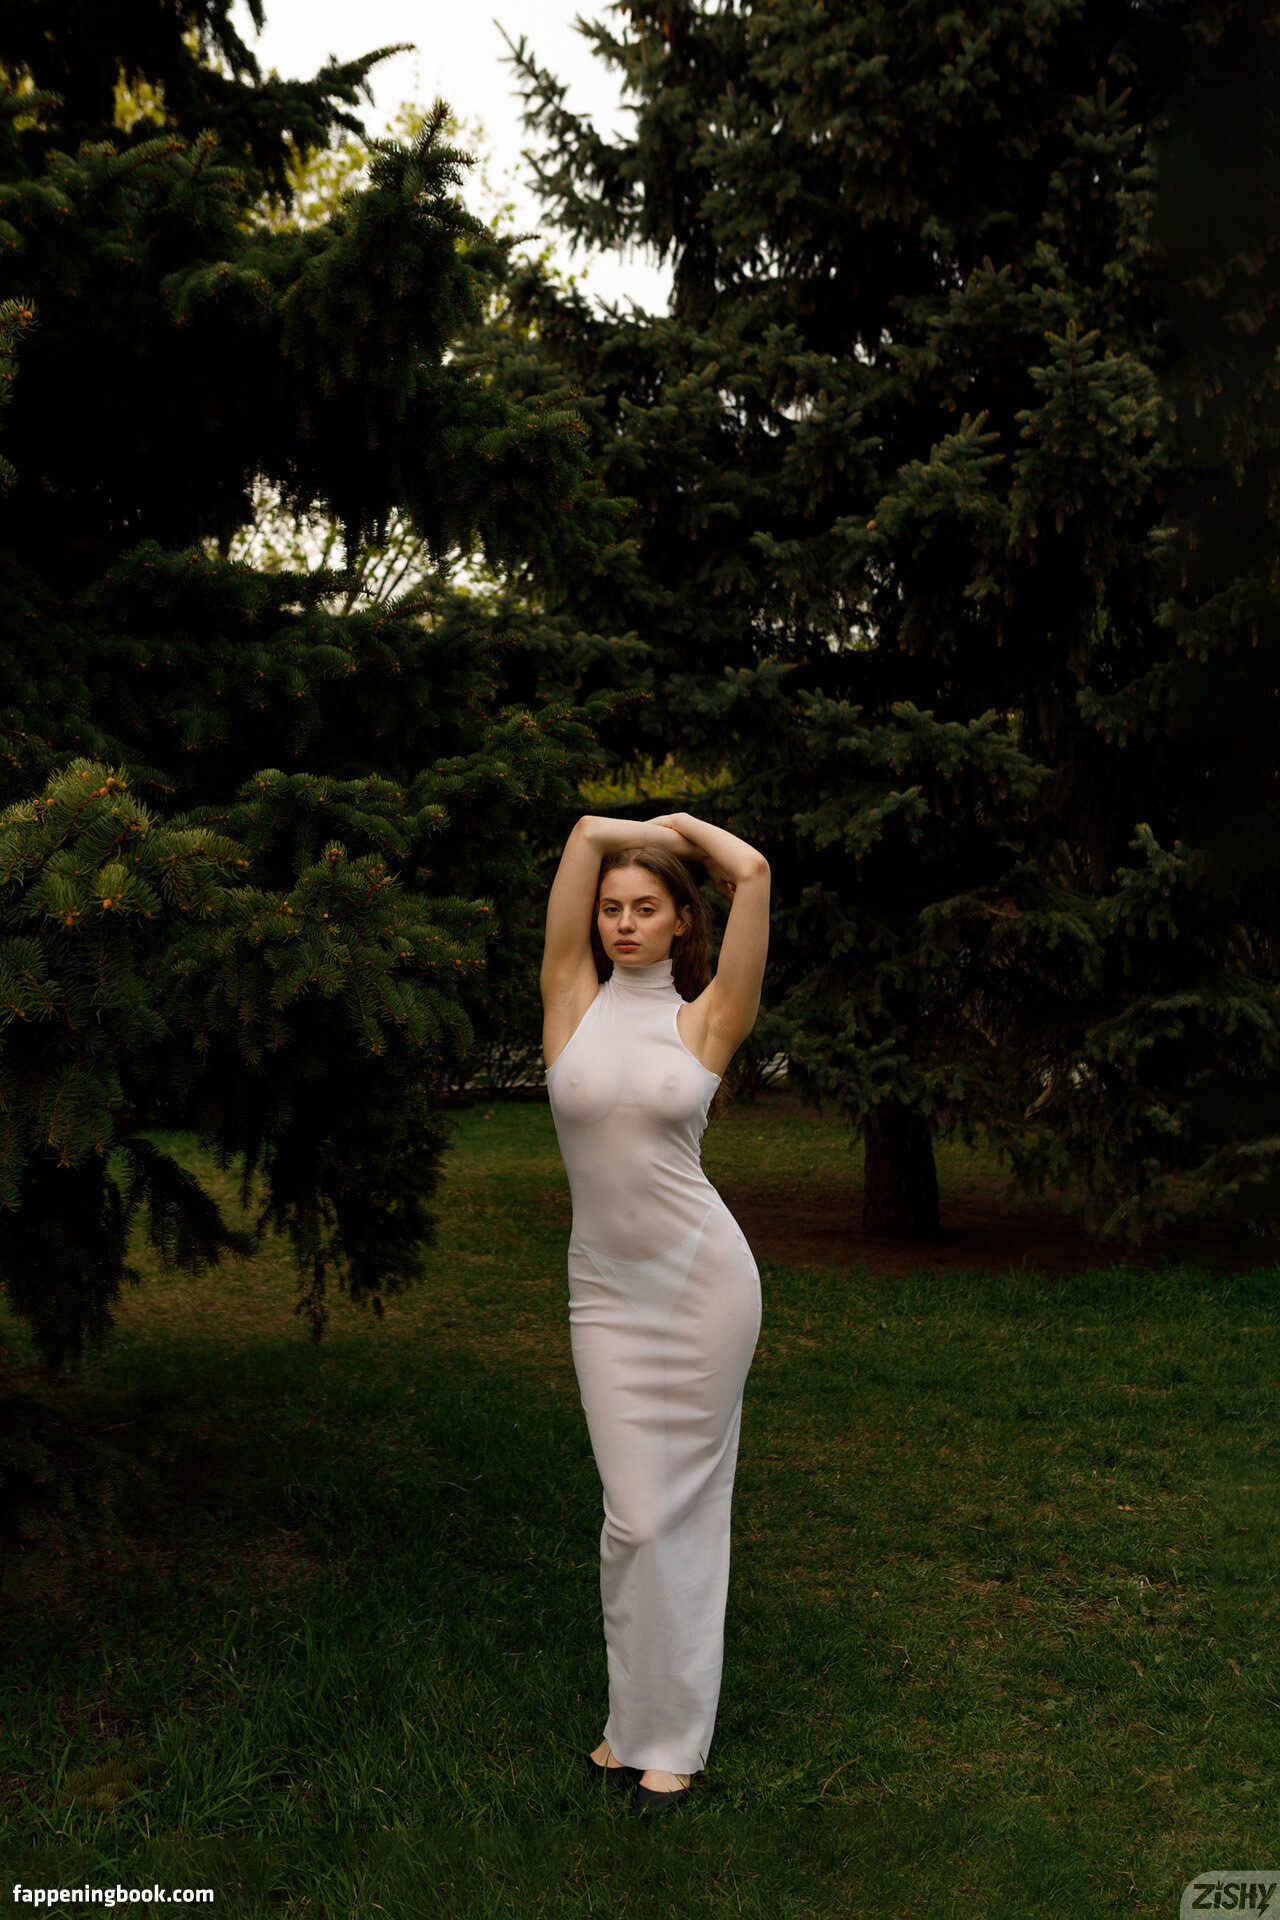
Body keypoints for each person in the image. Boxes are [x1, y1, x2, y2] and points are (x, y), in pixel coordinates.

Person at [540, 809, 770, 1815]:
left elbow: (753, 872)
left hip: (700, 1284)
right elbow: (584, 835)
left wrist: (681, 828)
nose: (624, 924)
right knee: (631, 1519)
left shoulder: (708, 1017)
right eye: (611, 909)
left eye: (646, 908)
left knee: (686, 1510)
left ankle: (669, 1742)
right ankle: (630, 1722)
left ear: (681, 920)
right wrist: (624, 830)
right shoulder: (569, 998)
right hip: (603, 1292)